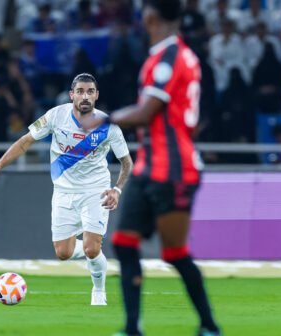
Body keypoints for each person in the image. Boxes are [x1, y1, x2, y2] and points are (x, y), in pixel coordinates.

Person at [81, 1, 221, 335]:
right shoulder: (170, 55)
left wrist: (104, 119)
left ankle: (209, 326)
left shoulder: (170, 57)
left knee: (174, 253)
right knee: (125, 243)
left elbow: (147, 112)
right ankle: (132, 328)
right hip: (149, 164)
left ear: (151, 16)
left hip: (173, 169)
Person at [0, 73, 133, 306]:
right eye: (80, 91)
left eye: (90, 91)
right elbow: (26, 141)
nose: (85, 96)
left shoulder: (108, 125)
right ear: (72, 95)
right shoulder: (56, 116)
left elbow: (127, 163)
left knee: (90, 248)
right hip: (63, 192)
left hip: (95, 191)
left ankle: (98, 290)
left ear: (96, 95)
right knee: (63, 253)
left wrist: (116, 190)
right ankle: (93, 253)